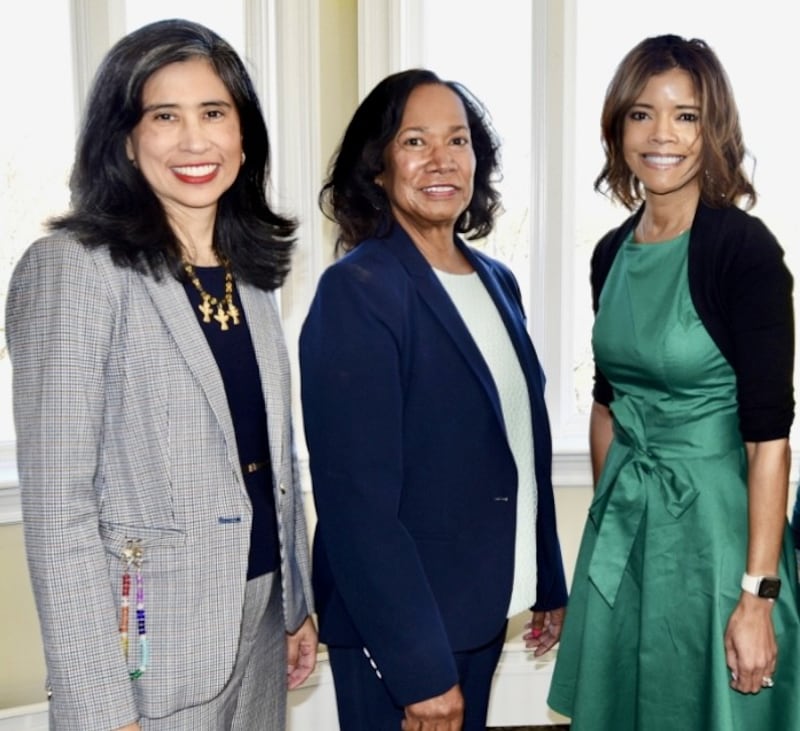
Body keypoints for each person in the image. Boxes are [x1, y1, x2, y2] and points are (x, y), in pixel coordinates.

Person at [5, 19, 317, 731]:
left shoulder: (252, 276)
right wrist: (100, 706)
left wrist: (295, 602)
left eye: (214, 113)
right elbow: (60, 514)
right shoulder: (73, 270)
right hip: (148, 650)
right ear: (123, 138)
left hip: (262, 624)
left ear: (244, 134)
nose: (195, 140)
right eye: (164, 117)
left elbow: (270, 458)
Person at [298, 68, 568, 731]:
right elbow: (356, 503)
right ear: (379, 166)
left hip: (479, 604)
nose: (442, 160)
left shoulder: (497, 281)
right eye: (415, 141)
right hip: (403, 629)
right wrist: (419, 669)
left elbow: (518, 440)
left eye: (459, 140)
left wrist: (545, 578)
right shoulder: (358, 290)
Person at [547, 34, 800, 730]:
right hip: (629, 533)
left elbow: (769, 440)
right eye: (641, 114)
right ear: (618, 128)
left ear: (712, 128)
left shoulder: (744, 252)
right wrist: (610, 518)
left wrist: (757, 595)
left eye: (685, 115)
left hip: (719, 539)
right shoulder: (610, 253)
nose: (662, 135)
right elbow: (607, 402)